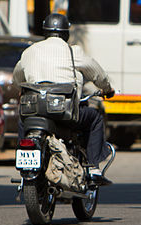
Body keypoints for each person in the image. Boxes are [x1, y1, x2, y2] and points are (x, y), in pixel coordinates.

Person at [13, 13, 115, 185]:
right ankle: (93, 168)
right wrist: (107, 89)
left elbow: (17, 78)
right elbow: (98, 74)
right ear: (66, 33)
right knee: (95, 118)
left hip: (34, 112)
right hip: (64, 114)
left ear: (45, 32)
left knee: (24, 120)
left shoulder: (29, 52)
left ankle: (23, 162)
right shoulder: (73, 52)